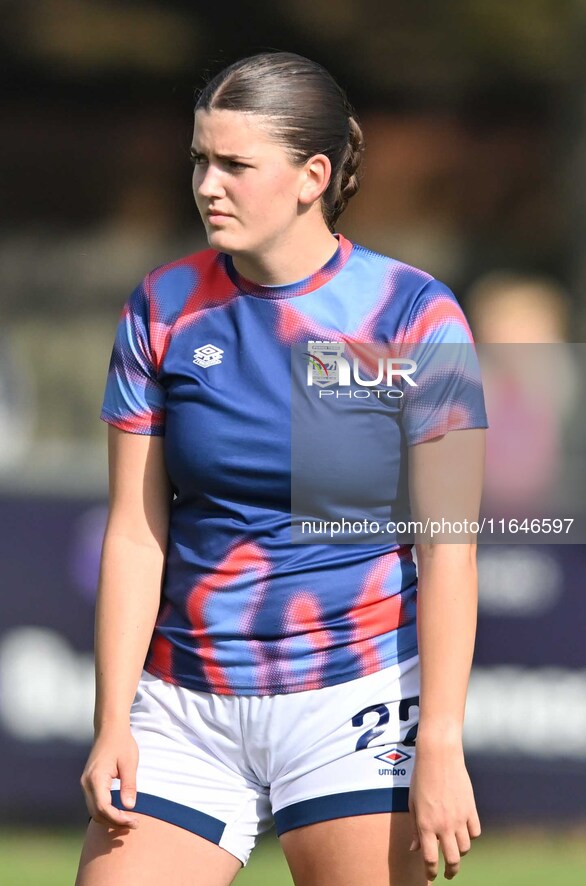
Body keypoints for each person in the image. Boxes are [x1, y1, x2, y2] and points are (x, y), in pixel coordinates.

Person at [76, 51, 487, 886]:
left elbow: (449, 548)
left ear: (312, 176)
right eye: (199, 159)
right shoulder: (159, 308)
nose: (206, 185)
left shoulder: (412, 313)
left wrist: (438, 743)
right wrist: (112, 718)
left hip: (355, 696)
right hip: (183, 704)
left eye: (235, 164)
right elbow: (135, 532)